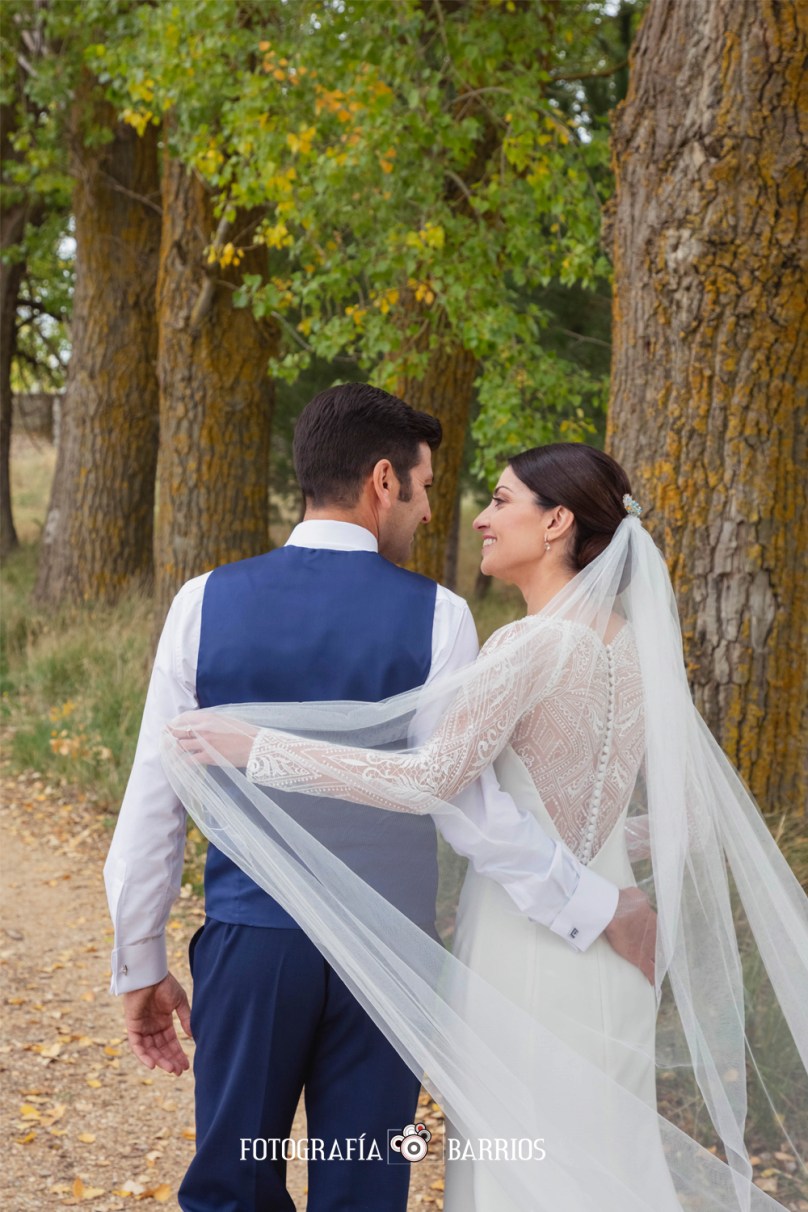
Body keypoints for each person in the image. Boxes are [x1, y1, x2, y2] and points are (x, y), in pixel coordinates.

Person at [169, 442, 808, 1212]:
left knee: (521, 1170)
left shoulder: (527, 645)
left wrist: (261, 750)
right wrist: (601, 849)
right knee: (605, 1163)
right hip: (619, 948)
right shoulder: (639, 651)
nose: (479, 518)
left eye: (502, 501)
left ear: (557, 522)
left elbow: (429, 781)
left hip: (526, 946)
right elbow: (690, 818)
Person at [105, 389, 655, 1212]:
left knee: (232, 1184)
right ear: (384, 481)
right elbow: (469, 808)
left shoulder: (201, 601)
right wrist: (590, 902)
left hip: (254, 945)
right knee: (364, 1185)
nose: (434, 511)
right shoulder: (440, 616)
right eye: (426, 488)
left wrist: (139, 960)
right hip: (388, 954)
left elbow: (156, 794)